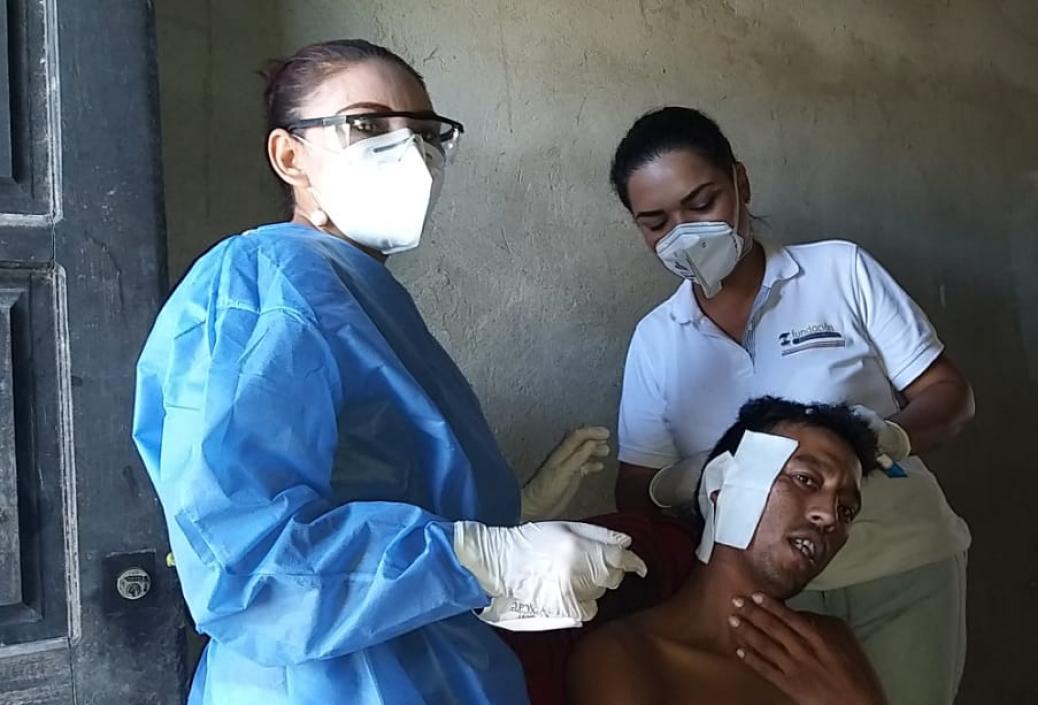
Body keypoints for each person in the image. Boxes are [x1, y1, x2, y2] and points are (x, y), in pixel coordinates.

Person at [132, 39, 645, 705]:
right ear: (291, 156)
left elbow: (386, 484)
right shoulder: (259, 284)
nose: (411, 154)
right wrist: (482, 557)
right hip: (322, 682)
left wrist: (508, 515)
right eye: (368, 125)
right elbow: (249, 566)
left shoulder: (358, 292)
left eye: (426, 133)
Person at [609, 106, 975, 705]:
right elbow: (636, 488)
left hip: (900, 564)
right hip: (766, 596)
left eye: (702, 203)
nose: (683, 234)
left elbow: (950, 395)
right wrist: (694, 489)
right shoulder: (657, 338)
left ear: (740, 184)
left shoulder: (839, 271)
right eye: (655, 222)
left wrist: (884, 439)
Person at [569, 397, 888, 705]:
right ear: (722, 489)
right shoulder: (627, 657)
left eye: (846, 510)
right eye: (805, 479)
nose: (830, 517)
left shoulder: (828, 646)